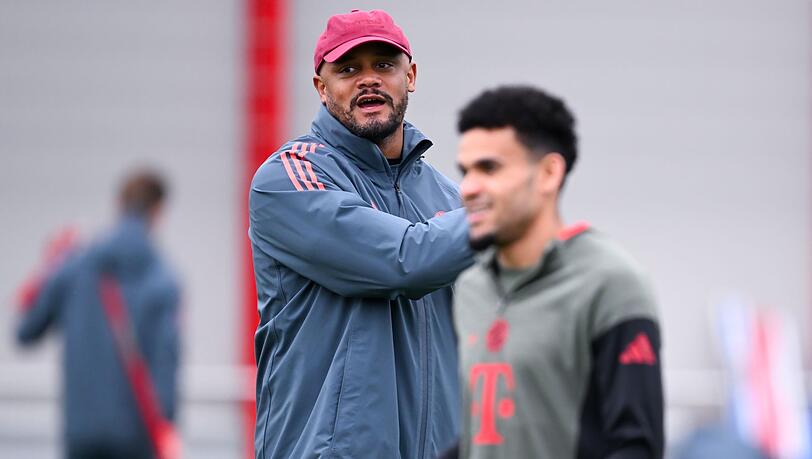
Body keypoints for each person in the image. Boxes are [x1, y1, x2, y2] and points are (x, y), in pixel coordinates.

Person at [248, 9, 475, 458]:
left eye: (384, 65)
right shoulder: (289, 177)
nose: (368, 79)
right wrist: (503, 209)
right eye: (348, 69)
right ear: (321, 87)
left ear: (410, 76)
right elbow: (405, 260)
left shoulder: (450, 199)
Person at [450, 86, 664, 458]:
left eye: (489, 168)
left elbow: (636, 447)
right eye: (465, 171)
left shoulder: (612, 282)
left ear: (549, 173)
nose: (468, 187)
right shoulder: (471, 288)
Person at [16, 170, 181, 459]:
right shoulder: (163, 279)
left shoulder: (74, 265)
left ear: (119, 204)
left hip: (81, 433)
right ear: (158, 212)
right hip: (137, 437)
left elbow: (26, 332)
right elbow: (166, 360)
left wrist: (49, 265)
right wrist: (166, 424)